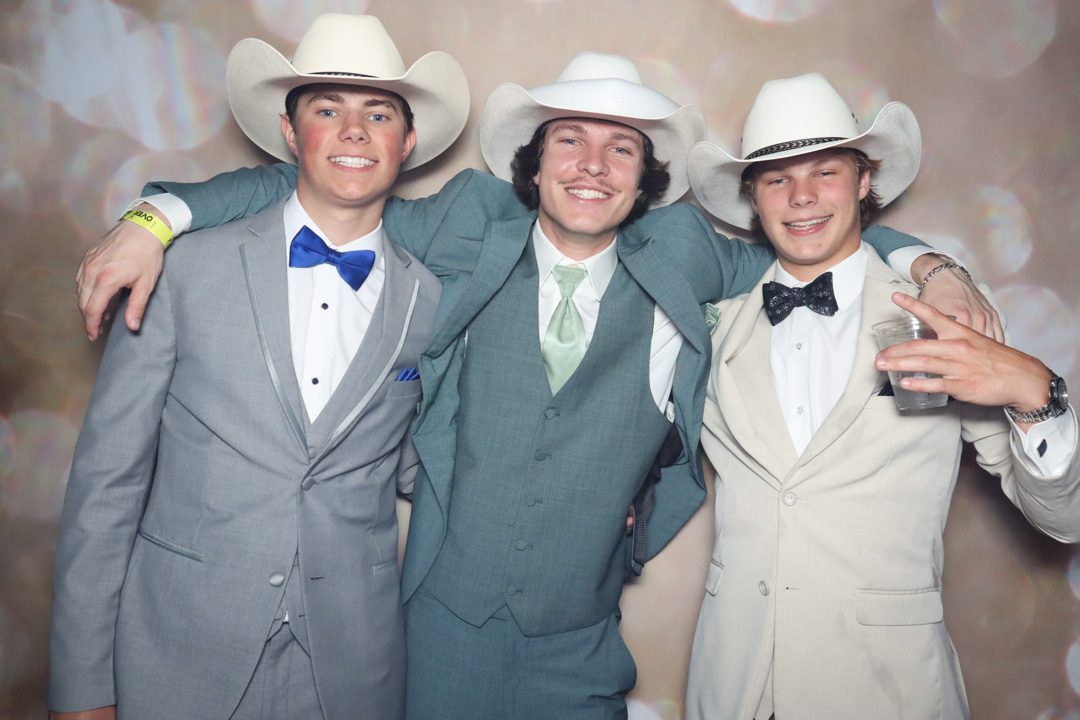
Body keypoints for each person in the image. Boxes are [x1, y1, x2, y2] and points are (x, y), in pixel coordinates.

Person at [68, 50, 992, 717]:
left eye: (620, 149)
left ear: (647, 177)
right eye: (569, 141)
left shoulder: (685, 251)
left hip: (580, 648)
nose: (591, 165)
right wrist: (160, 216)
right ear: (534, 163)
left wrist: (931, 263)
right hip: (432, 636)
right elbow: (318, 189)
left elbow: (819, 237)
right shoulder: (467, 223)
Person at [47, 15, 462, 719]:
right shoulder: (185, 268)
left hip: (351, 669)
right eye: (327, 110)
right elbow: (106, 484)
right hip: (178, 652)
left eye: (378, 114)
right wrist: (81, 687)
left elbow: (418, 465)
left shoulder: (431, 301)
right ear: (291, 134)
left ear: (408, 140)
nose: (354, 131)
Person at [683, 73, 1080, 720]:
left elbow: (1068, 519)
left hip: (887, 690)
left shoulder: (947, 319)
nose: (802, 196)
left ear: (864, 180)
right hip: (735, 686)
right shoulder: (715, 325)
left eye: (826, 172)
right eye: (777, 179)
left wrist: (1036, 395)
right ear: (753, 197)